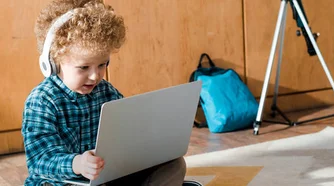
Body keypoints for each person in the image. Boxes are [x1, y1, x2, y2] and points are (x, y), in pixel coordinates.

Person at [21, 0, 201, 185]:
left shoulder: (106, 91)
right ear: (52, 63)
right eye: (83, 67)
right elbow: (39, 161)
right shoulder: (42, 101)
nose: (95, 76)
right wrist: (78, 163)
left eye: (102, 64)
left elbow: (129, 132)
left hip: (105, 176)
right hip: (62, 182)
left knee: (174, 165)